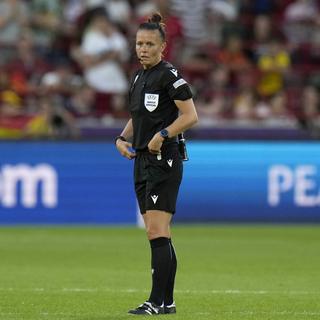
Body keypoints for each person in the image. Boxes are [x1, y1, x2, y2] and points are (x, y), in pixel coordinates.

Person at [115, 12, 198, 316]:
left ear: (163, 46)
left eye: (150, 44)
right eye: (139, 43)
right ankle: (167, 302)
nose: (143, 49)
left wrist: (163, 134)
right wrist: (120, 138)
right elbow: (138, 117)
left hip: (164, 159)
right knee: (157, 231)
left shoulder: (169, 75)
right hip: (141, 160)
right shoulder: (138, 76)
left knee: (156, 231)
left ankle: (156, 301)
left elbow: (190, 116)